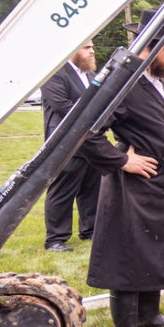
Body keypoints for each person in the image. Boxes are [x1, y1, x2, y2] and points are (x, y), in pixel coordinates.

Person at [82, 10, 164, 327]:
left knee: (154, 245)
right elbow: (87, 132)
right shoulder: (125, 84)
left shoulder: (156, 81)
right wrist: (122, 160)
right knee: (129, 249)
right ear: (150, 46)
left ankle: (149, 315)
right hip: (134, 185)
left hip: (162, 182)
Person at [42, 40, 100, 251]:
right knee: (63, 190)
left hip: (90, 141)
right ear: (72, 49)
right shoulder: (55, 73)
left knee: (92, 187)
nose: (92, 51)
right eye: (87, 47)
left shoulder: (90, 74)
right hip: (65, 143)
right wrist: (95, 117)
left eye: (92, 47)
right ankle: (56, 239)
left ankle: (90, 230)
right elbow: (63, 106)